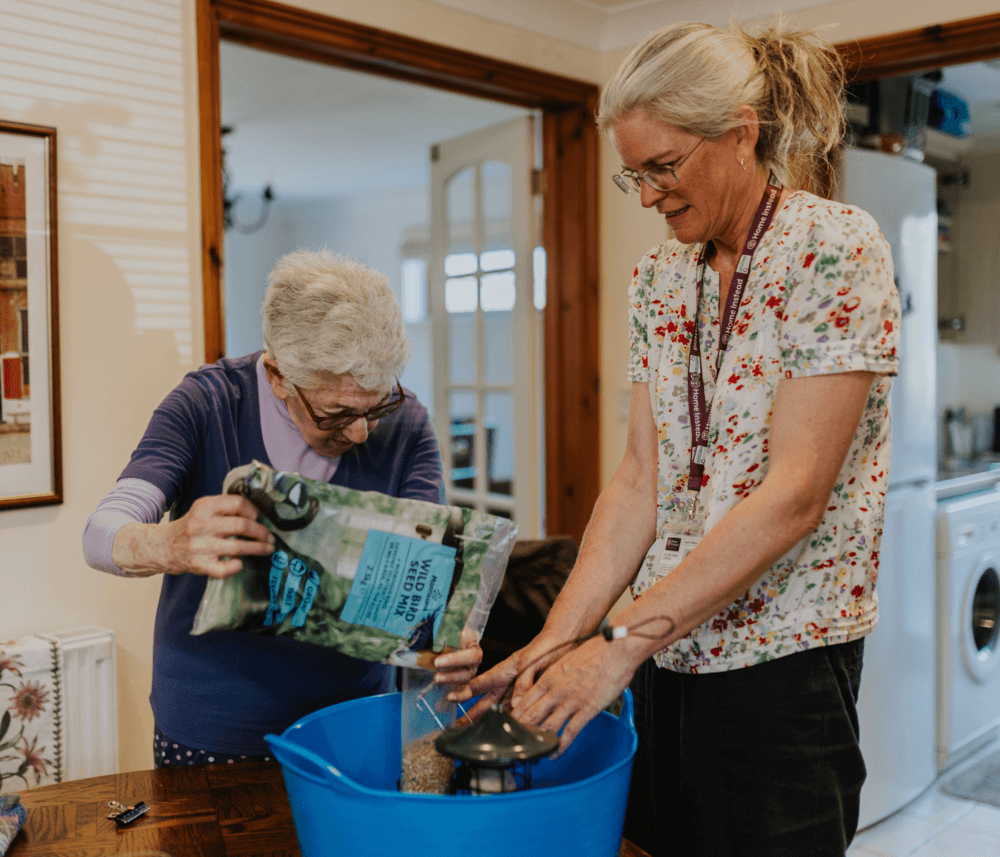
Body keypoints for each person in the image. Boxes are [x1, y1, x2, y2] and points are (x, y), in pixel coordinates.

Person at [458, 19, 899, 857]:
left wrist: (617, 644)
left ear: (740, 131)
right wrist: (562, 636)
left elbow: (795, 493)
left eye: (665, 166)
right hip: (665, 656)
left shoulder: (835, 249)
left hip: (784, 664)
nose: (651, 194)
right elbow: (637, 479)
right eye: (635, 175)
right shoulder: (659, 278)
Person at [83, 249, 478, 766]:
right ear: (277, 377)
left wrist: (453, 632)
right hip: (214, 731)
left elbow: (431, 573)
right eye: (335, 412)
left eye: (375, 406)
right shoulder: (208, 405)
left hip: (352, 721)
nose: (360, 433)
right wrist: (167, 543)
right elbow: (100, 533)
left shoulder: (406, 424)